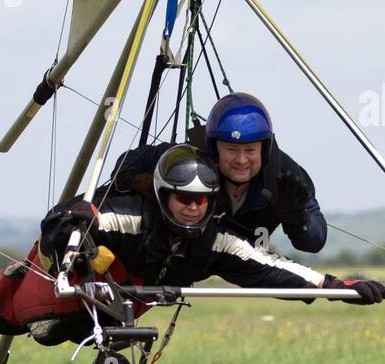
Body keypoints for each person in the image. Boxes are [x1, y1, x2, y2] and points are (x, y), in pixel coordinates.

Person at [0, 145, 383, 348]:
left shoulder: (216, 240)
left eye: (202, 199)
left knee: (98, 327)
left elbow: (270, 266)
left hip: (120, 304)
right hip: (62, 282)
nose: (192, 207)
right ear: (164, 196)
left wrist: (338, 287)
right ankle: (33, 312)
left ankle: (81, 331)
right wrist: (68, 236)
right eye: (183, 198)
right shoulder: (129, 216)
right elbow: (67, 221)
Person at [100, 92, 327, 254]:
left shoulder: (286, 176)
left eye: (250, 150)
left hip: (241, 257)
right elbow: (126, 163)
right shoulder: (189, 161)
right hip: (194, 251)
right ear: (214, 148)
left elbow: (315, 241)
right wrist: (145, 184)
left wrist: (299, 220)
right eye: (231, 149)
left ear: (264, 148)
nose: (241, 160)